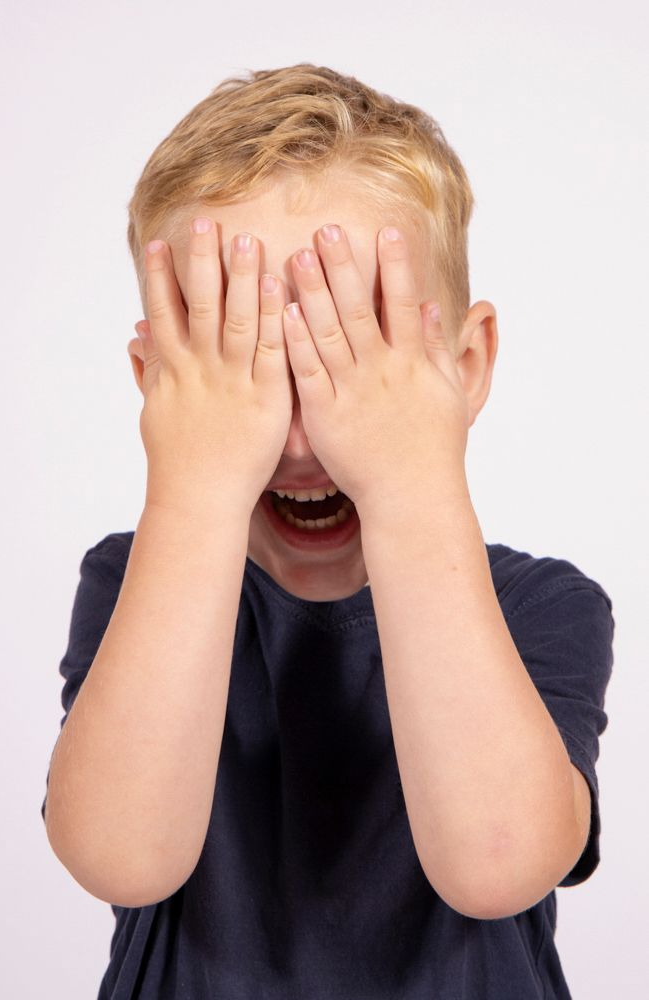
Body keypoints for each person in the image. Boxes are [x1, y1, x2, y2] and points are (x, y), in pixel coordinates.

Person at [40, 63, 615, 999]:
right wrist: (193, 488)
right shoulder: (132, 579)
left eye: (356, 358)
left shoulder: (541, 604)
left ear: (464, 369)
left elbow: (498, 866)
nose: (303, 432)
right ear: (160, 387)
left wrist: (410, 480)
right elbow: (119, 857)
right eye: (241, 361)